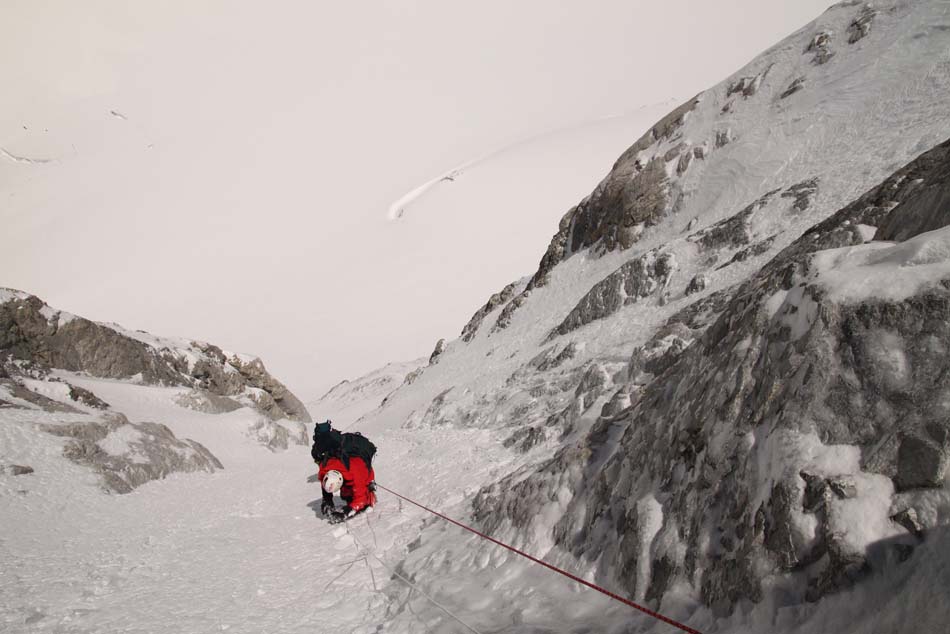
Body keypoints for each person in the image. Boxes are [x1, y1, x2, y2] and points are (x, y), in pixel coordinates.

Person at [312, 420, 377, 524]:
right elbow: (324, 482)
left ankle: (370, 487)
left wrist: (347, 512)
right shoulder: (325, 469)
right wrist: (327, 500)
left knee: (365, 501)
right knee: (346, 495)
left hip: (362, 464)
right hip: (345, 467)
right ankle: (349, 491)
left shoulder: (355, 473)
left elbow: (360, 499)